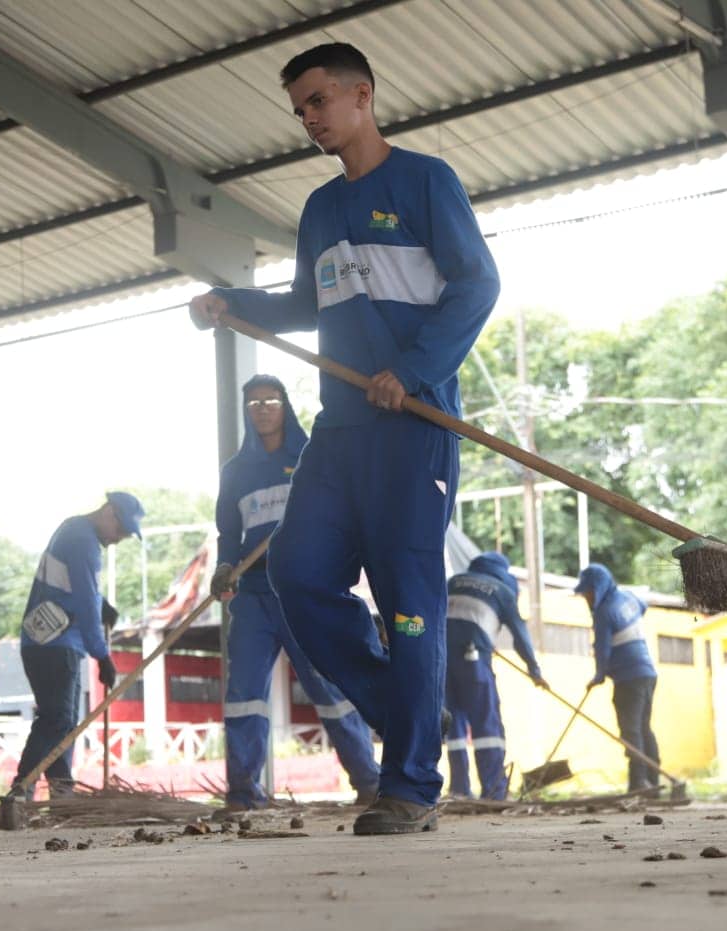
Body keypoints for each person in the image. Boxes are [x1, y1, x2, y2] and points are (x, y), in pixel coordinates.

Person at [190, 42, 499, 834]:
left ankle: (409, 788)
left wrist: (414, 368)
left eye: (319, 101)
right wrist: (230, 302)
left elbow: (477, 284)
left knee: (408, 604)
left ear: (363, 94)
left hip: (412, 426)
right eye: (300, 109)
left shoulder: (427, 182)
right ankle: (410, 716)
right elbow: (305, 304)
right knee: (298, 577)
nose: (309, 119)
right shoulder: (321, 210)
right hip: (340, 430)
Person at [212, 374, 381, 810]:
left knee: (328, 688)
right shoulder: (235, 473)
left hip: (303, 589)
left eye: (270, 400)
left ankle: (368, 780)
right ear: (246, 412)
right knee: (244, 696)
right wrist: (225, 567)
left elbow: (338, 512)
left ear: (284, 405)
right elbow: (228, 534)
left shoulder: (312, 457)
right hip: (252, 597)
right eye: (253, 403)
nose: (262, 408)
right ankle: (243, 792)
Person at [7, 492, 143, 799]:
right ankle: (21, 790)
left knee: (62, 721)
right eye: (121, 530)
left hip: (43, 643)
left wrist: (102, 603)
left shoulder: (73, 531)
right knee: (58, 720)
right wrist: (103, 656)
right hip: (57, 644)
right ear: (109, 513)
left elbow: (79, 590)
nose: (120, 539)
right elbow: (83, 600)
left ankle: (62, 792)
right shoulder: (84, 542)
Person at [444, 552, 545, 801]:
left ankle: (459, 790)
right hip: (474, 660)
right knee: (486, 724)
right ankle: (494, 791)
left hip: (442, 662)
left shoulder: (453, 581)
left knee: (453, 724)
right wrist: (534, 670)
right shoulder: (502, 591)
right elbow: (520, 635)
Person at [574, 563, 661, 794]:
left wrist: (599, 675)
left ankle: (639, 782)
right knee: (643, 728)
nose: (587, 599)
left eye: (588, 593)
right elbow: (642, 608)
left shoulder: (603, 612)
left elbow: (603, 649)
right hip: (648, 673)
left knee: (631, 731)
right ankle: (653, 781)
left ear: (599, 588)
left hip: (628, 678)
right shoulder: (629, 598)